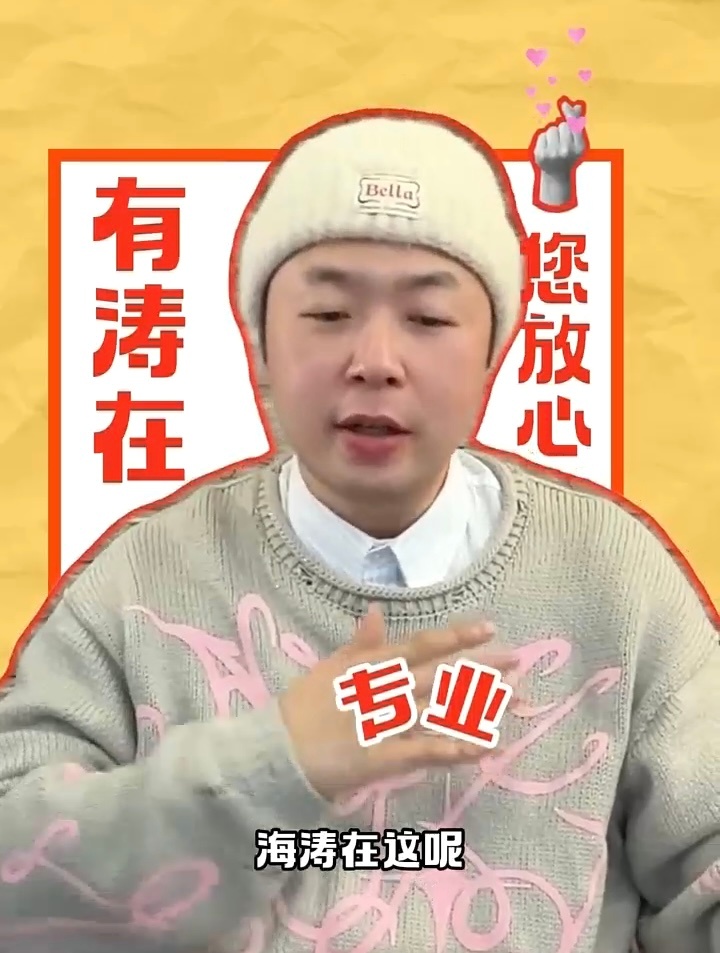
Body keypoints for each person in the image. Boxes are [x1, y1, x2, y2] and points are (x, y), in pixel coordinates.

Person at [0, 108, 717, 953]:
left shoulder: (615, 579)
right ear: (259, 344)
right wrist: (275, 760)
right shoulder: (139, 583)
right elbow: (18, 888)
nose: (375, 359)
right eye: (330, 313)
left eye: (429, 318)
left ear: (496, 350)